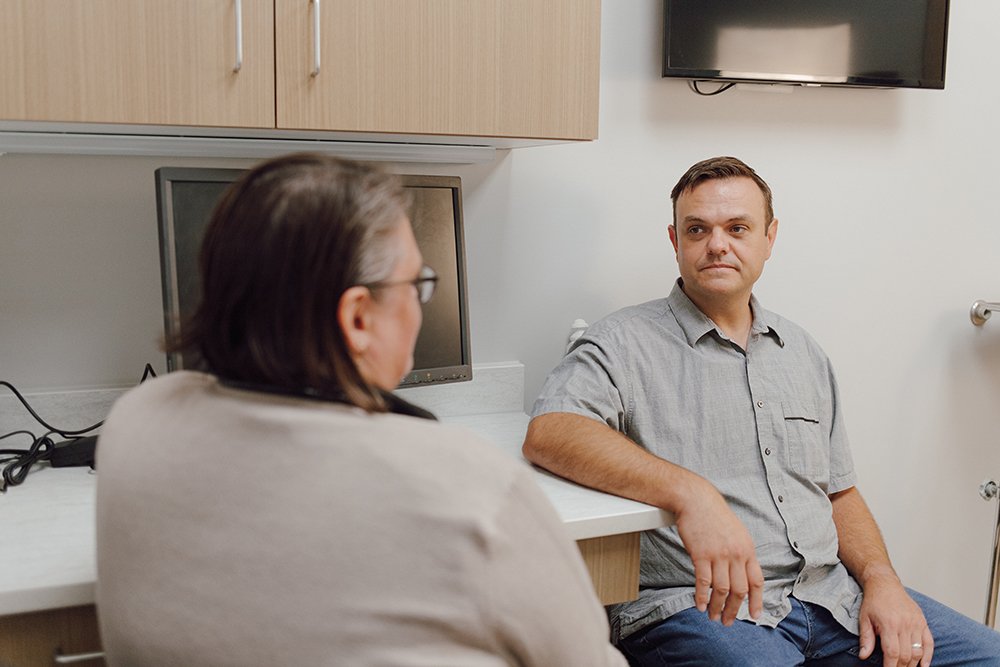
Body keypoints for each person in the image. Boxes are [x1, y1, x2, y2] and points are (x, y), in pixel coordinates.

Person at [96, 153, 625, 666]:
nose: (420, 304)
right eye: (416, 284)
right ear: (355, 318)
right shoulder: (465, 482)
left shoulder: (137, 419)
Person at [523, 156, 1000, 667]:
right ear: (674, 239)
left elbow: (838, 491)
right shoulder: (620, 342)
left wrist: (885, 583)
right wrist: (693, 495)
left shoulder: (803, 352)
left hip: (832, 601)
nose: (717, 243)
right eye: (698, 229)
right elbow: (551, 432)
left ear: (770, 238)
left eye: (738, 228)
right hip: (699, 606)